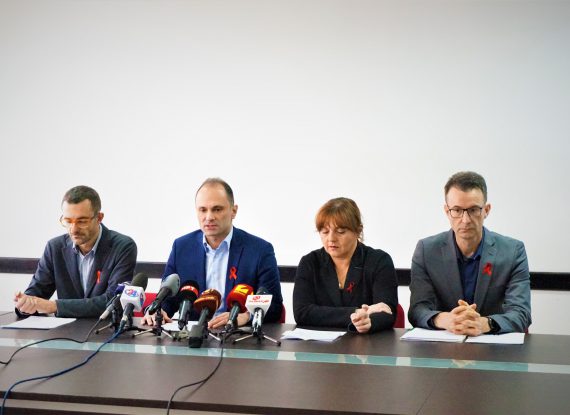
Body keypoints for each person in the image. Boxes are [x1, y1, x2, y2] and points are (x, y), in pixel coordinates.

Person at [143, 178, 283, 329]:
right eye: (203, 210)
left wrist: (246, 316)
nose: (209, 217)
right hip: (194, 334)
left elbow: (275, 307)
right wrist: (157, 311)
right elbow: (168, 298)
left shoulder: (260, 250)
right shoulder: (182, 247)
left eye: (217, 209)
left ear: (233, 211)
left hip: (237, 334)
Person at [408, 171, 531, 335]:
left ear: (486, 210)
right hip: (444, 344)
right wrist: (446, 320)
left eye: (473, 210)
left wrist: (484, 323)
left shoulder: (513, 251)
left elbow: (521, 313)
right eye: (457, 210)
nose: (465, 220)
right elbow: (417, 310)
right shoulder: (427, 251)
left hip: (494, 344)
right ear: (447, 211)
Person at [14, 186, 137, 318]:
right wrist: (25, 304)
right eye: (68, 221)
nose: (73, 229)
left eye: (82, 221)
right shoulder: (55, 247)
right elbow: (37, 293)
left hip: (105, 327)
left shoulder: (123, 247)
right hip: (65, 328)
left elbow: (114, 301)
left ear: (99, 218)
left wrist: (55, 306)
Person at [293, 197, 398, 333]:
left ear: (358, 231)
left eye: (340, 231)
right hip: (320, 343)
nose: (331, 238)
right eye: (325, 231)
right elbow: (302, 312)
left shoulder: (379, 261)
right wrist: (357, 313)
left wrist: (369, 321)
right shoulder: (310, 262)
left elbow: (387, 311)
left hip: (365, 343)